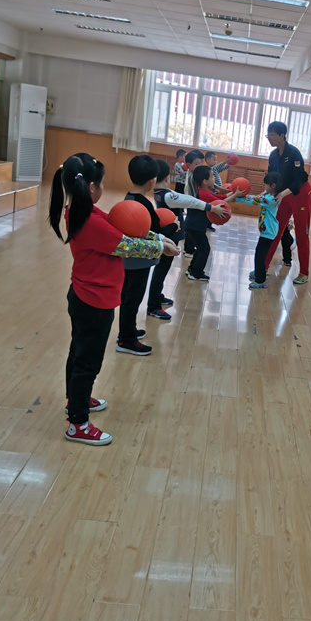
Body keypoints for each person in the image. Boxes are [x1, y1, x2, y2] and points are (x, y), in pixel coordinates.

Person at [48, 153, 177, 445]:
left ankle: (75, 400)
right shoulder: (89, 221)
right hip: (94, 301)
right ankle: (77, 423)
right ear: (92, 187)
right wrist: (162, 247)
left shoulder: (82, 212)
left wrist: (158, 239)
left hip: (86, 296)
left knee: (78, 352)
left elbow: (122, 229)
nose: (104, 187)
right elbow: (126, 245)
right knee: (87, 363)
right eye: (103, 183)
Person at [147, 160, 229, 318]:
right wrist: (211, 207)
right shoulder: (168, 195)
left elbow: (186, 198)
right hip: (169, 235)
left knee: (162, 269)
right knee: (161, 269)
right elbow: (191, 201)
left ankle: (157, 296)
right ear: (167, 177)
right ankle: (153, 306)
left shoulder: (159, 192)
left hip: (169, 233)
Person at [116, 155, 180, 355]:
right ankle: (126, 339)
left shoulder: (129, 197)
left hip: (129, 259)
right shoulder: (143, 203)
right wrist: (174, 226)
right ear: (153, 180)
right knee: (132, 299)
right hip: (139, 261)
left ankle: (128, 330)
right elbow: (152, 231)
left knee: (128, 297)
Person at [263, 121, 311, 285]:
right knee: (274, 230)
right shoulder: (273, 155)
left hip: (300, 194)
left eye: (272, 135)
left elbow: (298, 180)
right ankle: (263, 267)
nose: (269, 138)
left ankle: (304, 272)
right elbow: (272, 178)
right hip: (283, 195)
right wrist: (266, 192)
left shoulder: (294, 153)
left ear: (282, 135)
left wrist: (282, 194)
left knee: (301, 234)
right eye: (268, 135)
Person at [184, 165, 242, 282]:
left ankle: (192, 269)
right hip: (194, 226)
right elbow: (221, 202)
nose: (213, 179)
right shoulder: (204, 194)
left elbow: (220, 197)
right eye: (211, 177)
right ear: (205, 181)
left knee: (201, 248)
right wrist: (235, 195)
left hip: (194, 225)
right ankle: (196, 273)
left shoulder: (205, 191)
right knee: (204, 249)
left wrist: (233, 193)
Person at [235, 171, 280, 289]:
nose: (264, 187)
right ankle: (258, 272)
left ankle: (260, 280)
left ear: (273, 186)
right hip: (267, 231)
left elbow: (254, 200)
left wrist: (236, 198)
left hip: (269, 232)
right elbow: (259, 198)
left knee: (260, 255)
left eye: (266, 185)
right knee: (260, 254)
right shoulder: (270, 197)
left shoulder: (271, 200)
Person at [183, 150, 205, 257]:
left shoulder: (191, 173)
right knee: (192, 227)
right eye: (196, 164)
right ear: (188, 165)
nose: (199, 166)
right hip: (193, 204)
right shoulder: (193, 177)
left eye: (200, 163)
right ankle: (189, 250)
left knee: (190, 226)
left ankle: (188, 248)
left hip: (191, 203)